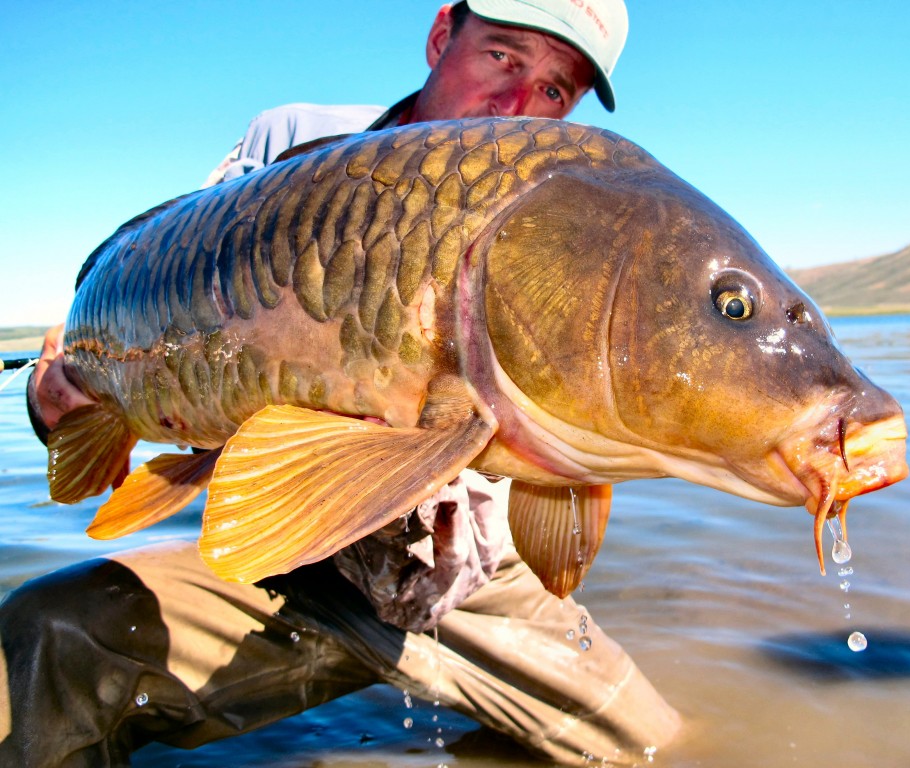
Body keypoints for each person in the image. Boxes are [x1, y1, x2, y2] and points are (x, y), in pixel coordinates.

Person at [1, 2, 683, 765]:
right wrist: (51, 396)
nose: (519, 103)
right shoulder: (289, 144)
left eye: (557, 91)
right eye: (503, 57)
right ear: (439, 37)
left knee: (659, 748)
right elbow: (146, 300)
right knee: (44, 642)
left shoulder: (569, 219)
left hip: (466, 572)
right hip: (294, 560)